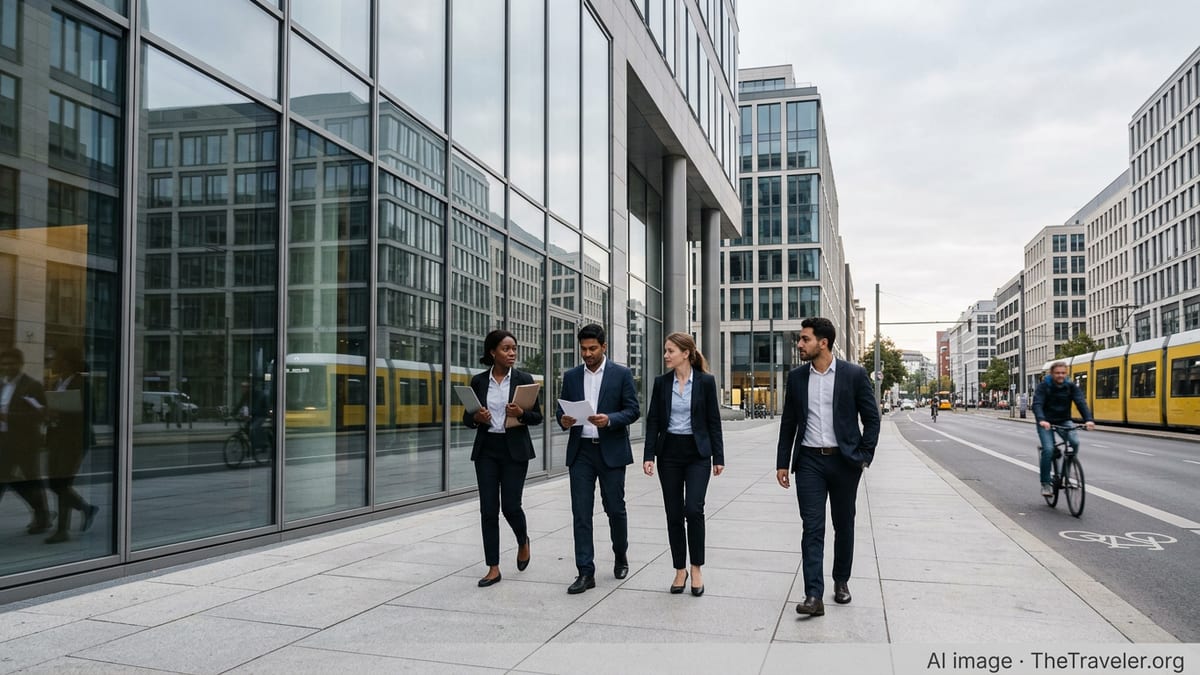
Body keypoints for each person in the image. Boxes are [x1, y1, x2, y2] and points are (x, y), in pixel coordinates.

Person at [775, 318, 880, 617]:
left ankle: (841, 580)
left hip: (844, 461)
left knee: (843, 524)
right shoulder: (797, 377)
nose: (799, 344)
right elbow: (789, 422)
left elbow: (872, 418)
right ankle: (813, 595)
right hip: (809, 461)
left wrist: (864, 456)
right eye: (800, 339)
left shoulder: (854, 375)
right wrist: (782, 462)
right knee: (812, 526)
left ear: (823, 343)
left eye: (804, 339)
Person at [556, 324, 640, 595]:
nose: (587, 354)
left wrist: (610, 419)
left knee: (615, 508)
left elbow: (633, 410)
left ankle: (620, 554)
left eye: (592, 348)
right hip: (581, 452)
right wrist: (564, 420)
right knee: (581, 512)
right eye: (583, 349)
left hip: (611, 450)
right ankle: (585, 572)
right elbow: (561, 411)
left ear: (604, 347)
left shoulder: (621, 374)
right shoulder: (571, 376)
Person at [642, 333, 724, 597]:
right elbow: (653, 421)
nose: (666, 355)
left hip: (697, 454)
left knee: (694, 509)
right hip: (669, 454)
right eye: (666, 351)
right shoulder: (661, 383)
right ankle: (680, 569)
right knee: (674, 513)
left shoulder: (705, 382)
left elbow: (713, 421)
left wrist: (718, 457)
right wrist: (648, 455)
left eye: (671, 351)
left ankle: (696, 567)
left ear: (686, 353)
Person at [463, 329, 541, 587]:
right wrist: (477, 418)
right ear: (492, 352)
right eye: (506, 349)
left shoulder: (524, 379)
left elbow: (537, 417)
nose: (512, 353)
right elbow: (467, 419)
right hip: (487, 450)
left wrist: (521, 414)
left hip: (514, 450)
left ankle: (522, 540)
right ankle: (493, 568)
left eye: (514, 349)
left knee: (510, 506)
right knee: (488, 509)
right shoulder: (478, 381)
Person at [44, 347, 100, 543]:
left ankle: (62, 530)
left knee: (62, 483)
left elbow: (92, 413)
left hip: (75, 440)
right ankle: (86, 508)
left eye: (55, 359)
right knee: (53, 482)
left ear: (66, 363)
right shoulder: (56, 383)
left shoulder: (82, 384)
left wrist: (63, 412)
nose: (52, 362)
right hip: (56, 439)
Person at [0, 347, 53, 534]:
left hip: (25, 442)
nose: (8, 367)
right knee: (4, 479)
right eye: (4, 364)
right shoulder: (2, 385)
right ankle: (43, 514)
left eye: (11, 363)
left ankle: (43, 516)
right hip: (3, 442)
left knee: (31, 480)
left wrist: (7, 417)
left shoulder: (31, 386)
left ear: (20, 364)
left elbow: (41, 414)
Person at [1032, 361, 1095, 497]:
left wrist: (1088, 419)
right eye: (1057, 373)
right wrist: (1041, 419)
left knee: (1075, 443)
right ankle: (1046, 484)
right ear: (1052, 373)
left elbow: (1080, 402)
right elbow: (1037, 404)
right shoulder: (1044, 386)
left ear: (1066, 373)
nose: (1060, 375)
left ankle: (1065, 474)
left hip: (1064, 420)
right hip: (1045, 422)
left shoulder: (1070, 386)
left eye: (1063, 373)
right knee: (1048, 449)